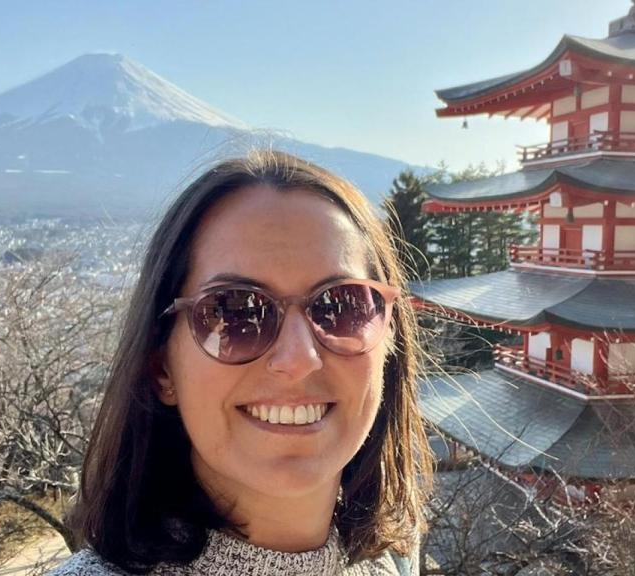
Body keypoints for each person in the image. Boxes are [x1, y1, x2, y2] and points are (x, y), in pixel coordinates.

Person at [50, 150, 432, 575]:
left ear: (389, 340)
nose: (298, 358)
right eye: (234, 312)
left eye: (340, 307)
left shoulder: (387, 562)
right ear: (162, 367)